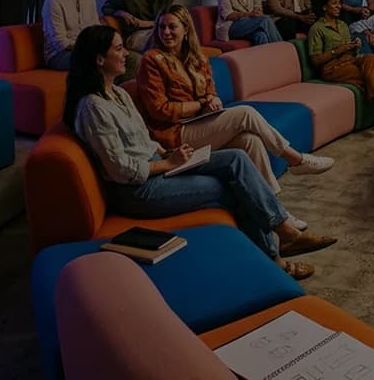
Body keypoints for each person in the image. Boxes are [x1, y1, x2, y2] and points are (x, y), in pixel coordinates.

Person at [66, 26, 337, 281]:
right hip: (139, 190)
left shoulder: (118, 93)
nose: (126, 53)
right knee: (233, 188)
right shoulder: (92, 107)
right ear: (99, 59)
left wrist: (166, 153)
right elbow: (120, 170)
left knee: (237, 158)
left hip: (159, 165)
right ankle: (277, 257)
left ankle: (284, 232)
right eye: (118, 49)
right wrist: (167, 164)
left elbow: (143, 139)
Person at [136, 5, 333, 227]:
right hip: (174, 134)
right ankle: (295, 159)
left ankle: (278, 214)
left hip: (200, 123)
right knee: (246, 113)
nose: (166, 32)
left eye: (172, 27)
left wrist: (213, 100)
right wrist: (201, 104)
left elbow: (210, 91)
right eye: (161, 27)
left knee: (250, 141)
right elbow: (160, 110)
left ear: (185, 29)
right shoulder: (152, 60)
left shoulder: (197, 58)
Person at [307, 0, 374, 132]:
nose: (339, 6)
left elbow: (350, 51)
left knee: (372, 59)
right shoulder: (316, 29)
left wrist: (355, 46)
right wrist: (338, 50)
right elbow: (316, 60)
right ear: (324, 7)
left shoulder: (343, 25)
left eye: (339, 3)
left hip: (350, 60)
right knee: (371, 76)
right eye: (334, 3)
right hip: (332, 68)